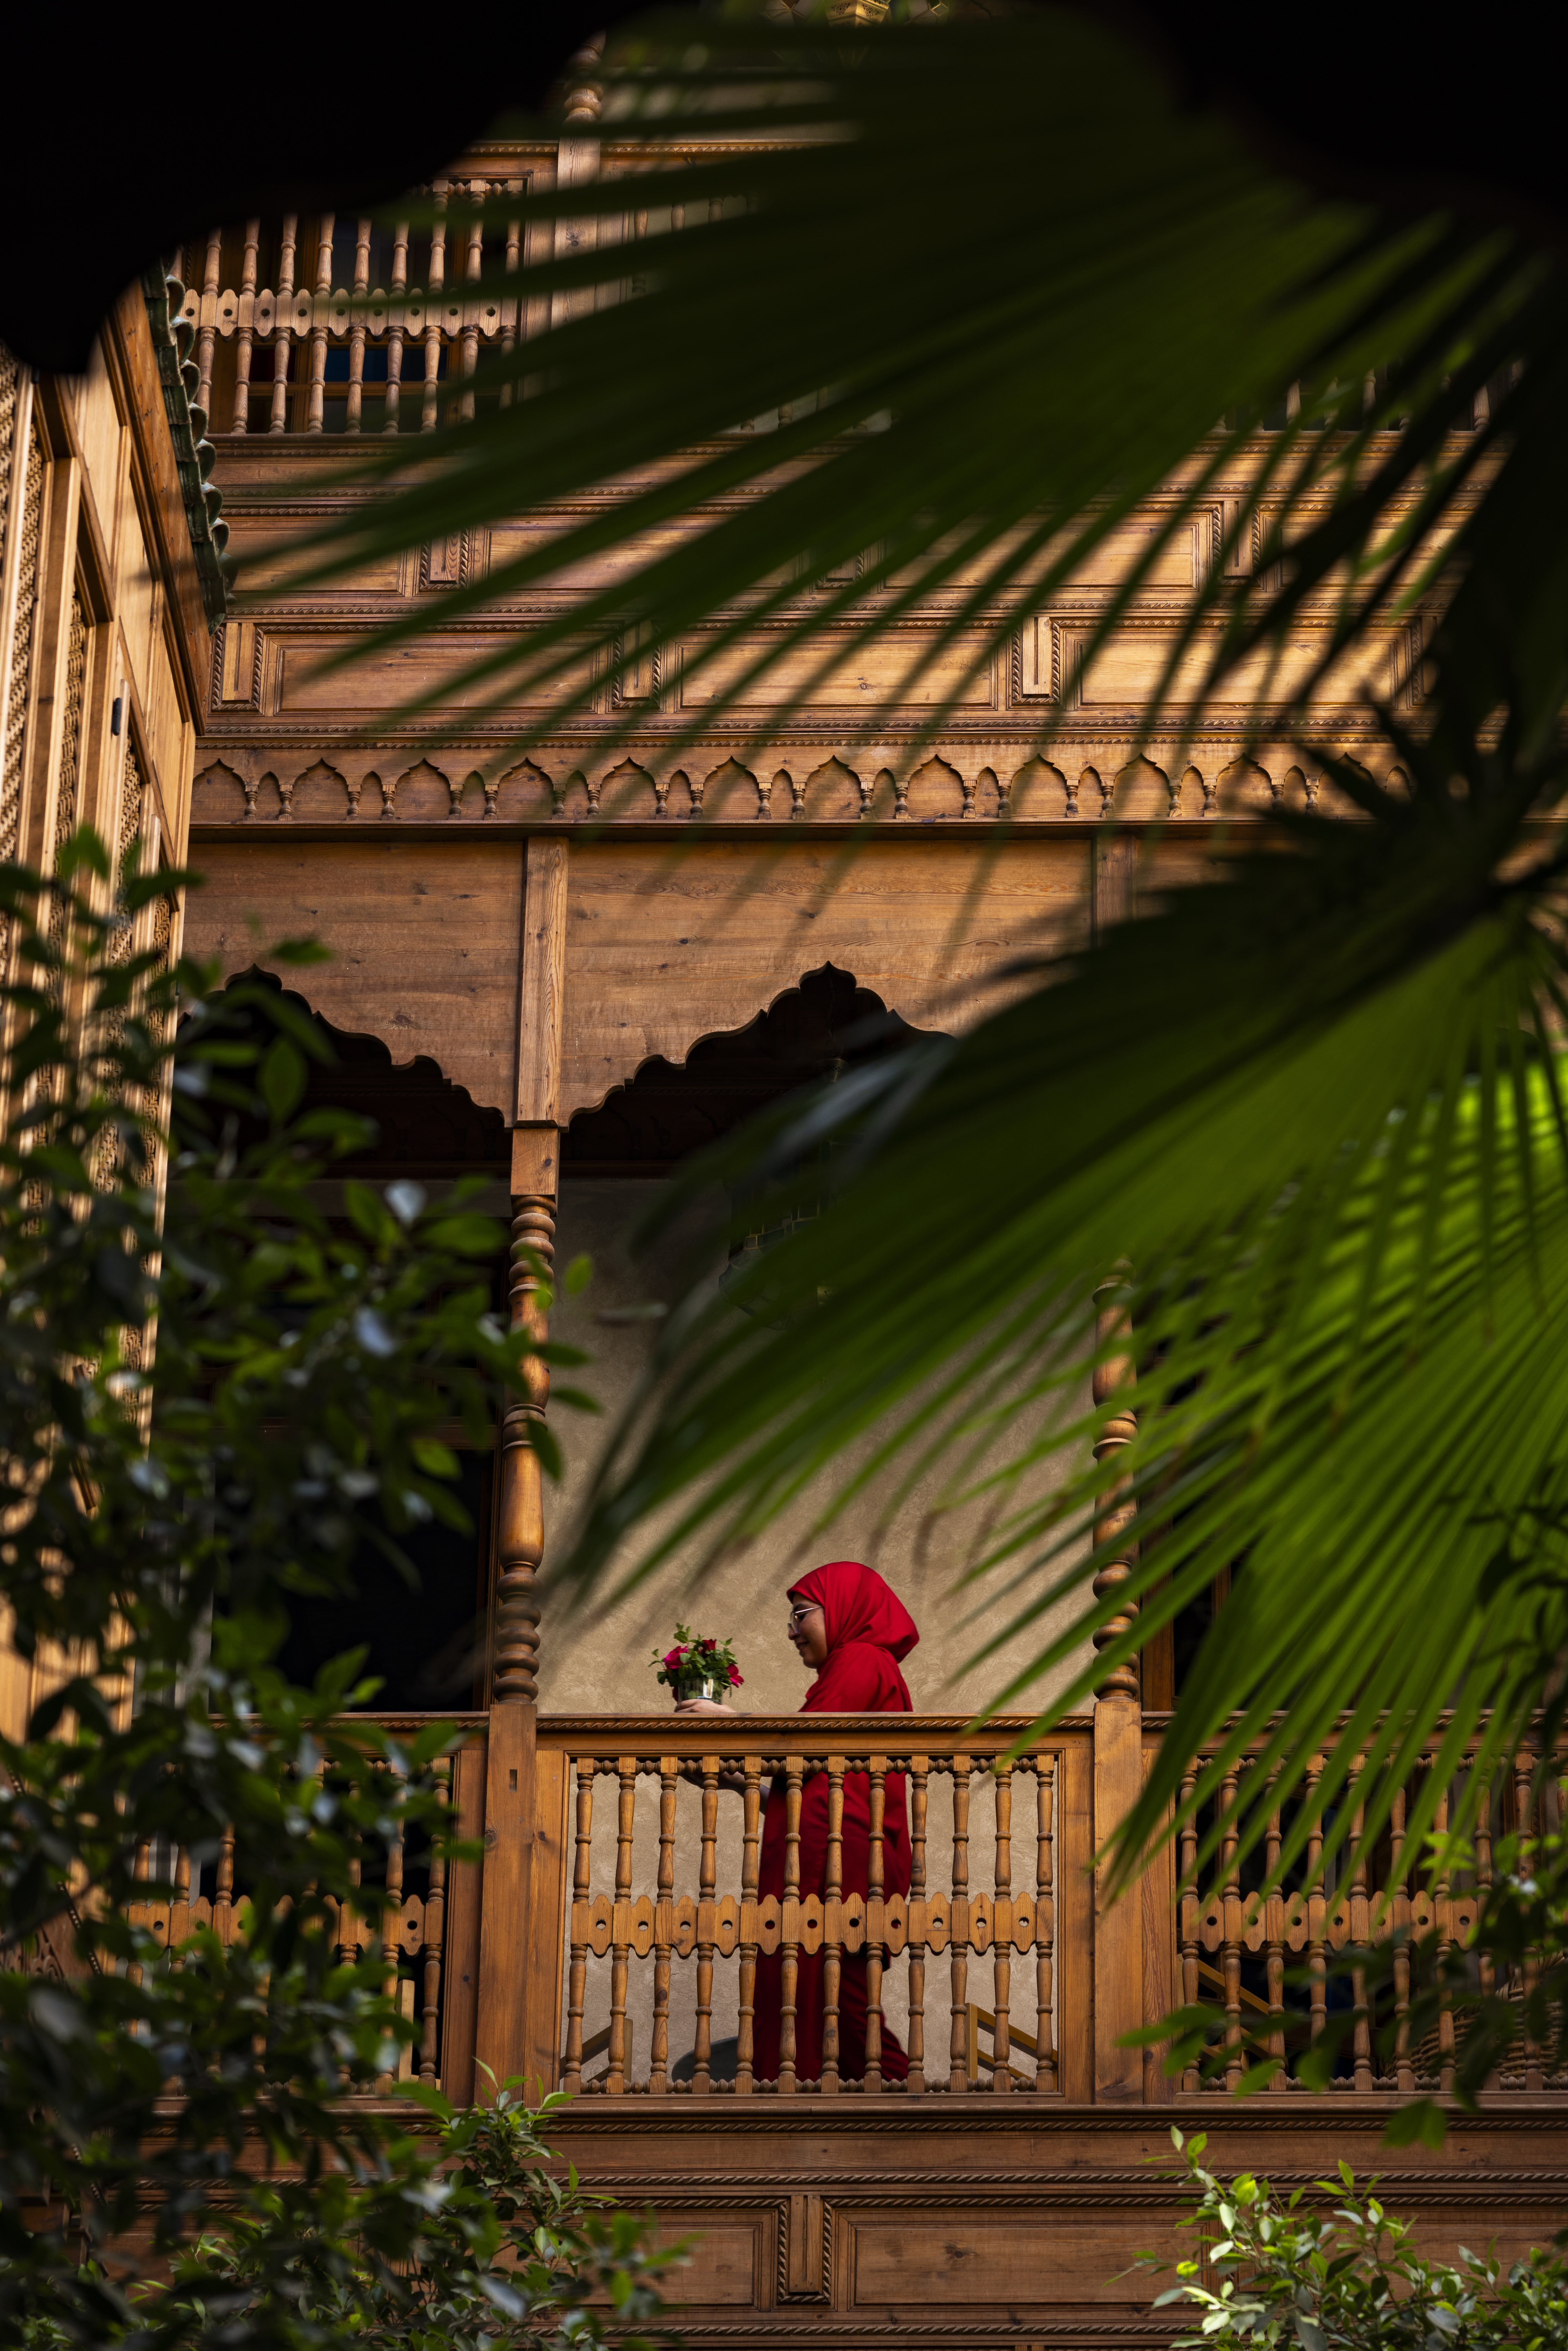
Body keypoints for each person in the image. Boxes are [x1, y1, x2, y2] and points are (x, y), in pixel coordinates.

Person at [676, 1559, 918, 2085]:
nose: (791, 1631)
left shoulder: (860, 1659)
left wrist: (730, 1723)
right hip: (831, 1854)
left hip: (841, 1864)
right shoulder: (854, 1667)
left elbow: (802, 1750)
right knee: (821, 1996)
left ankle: (911, 2110)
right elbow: (811, 1786)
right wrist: (742, 1785)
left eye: (801, 1614)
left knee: (839, 2000)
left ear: (845, 1609)